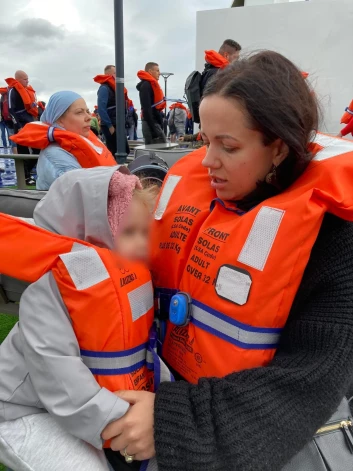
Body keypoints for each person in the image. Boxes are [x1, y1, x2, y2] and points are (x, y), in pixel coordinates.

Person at [101, 51, 353, 470]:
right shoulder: (192, 198)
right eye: (205, 141)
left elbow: (311, 380)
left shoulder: (335, 240)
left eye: (228, 146)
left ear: (277, 148)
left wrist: (170, 422)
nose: (206, 162)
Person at [0, 166, 167, 471]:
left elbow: (147, 351)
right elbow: (62, 382)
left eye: (147, 232)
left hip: (77, 407)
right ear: (88, 239)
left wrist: (164, 408)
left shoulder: (132, 283)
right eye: (129, 232)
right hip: (20, 410)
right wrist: (125, 422)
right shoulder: (48, 296)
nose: (144, 244)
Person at [10, 91, 117, 190]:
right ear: (59, 119)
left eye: (87, 111)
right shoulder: (55, 155)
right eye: (79, 112)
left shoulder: (83, 141)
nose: (88, 117)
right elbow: (83, 193)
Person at [6, 70, 39, 184]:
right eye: (25, 79)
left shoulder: (26, 90)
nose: (27, 81)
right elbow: (11, 110)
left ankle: (28, 172)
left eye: (27, 78)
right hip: (20, 125)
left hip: (29, 124)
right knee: (23, 151)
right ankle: (25, 177)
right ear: (19, 80)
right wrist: (18, 126)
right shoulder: (12, 91)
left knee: (38, 149)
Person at [94, 65, 130, 157]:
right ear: (109, 74)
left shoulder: (115, 88)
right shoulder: (104, 88)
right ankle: (114, 169)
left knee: (125, 150)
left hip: (118, 124)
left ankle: (120, 168)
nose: (117, 75)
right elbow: (101, 109)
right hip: (110, 125)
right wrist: (110, 126)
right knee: (114, 151)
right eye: (115, 73)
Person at [137, 62, 166, 145]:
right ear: (150, 71)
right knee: (160, 148)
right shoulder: (146, 86)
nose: (159, 73)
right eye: (157, 71)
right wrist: (153, 130)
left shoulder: (150, 85)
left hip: (154, 122)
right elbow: (146, 109)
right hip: (150, 124)